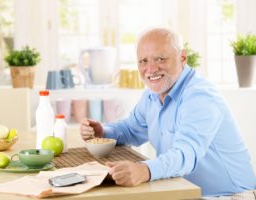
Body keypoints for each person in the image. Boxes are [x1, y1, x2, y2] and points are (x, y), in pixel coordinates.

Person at [79, 28, 256, 196]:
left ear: (183, 57)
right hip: (184, 191)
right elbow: (131, 129)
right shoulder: (152, 95)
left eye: (160, 59)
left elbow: (186, 154)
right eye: (144, 61)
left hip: (231, 195)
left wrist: (145, 170)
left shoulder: (200, 96)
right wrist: (103, 131)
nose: (151, 69)